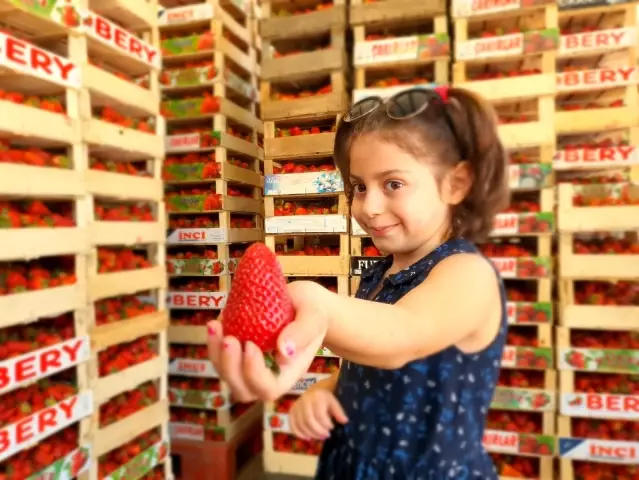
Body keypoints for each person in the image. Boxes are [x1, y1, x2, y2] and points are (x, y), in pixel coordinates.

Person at [207, 86, 510, 479]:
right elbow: (375, 368)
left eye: (393, 184)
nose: (368, 206)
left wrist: (313, 300)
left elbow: (402, 335)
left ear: (456, 183)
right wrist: (327, 390)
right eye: (359, 187)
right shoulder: (379, 275)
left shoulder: (468, 274)